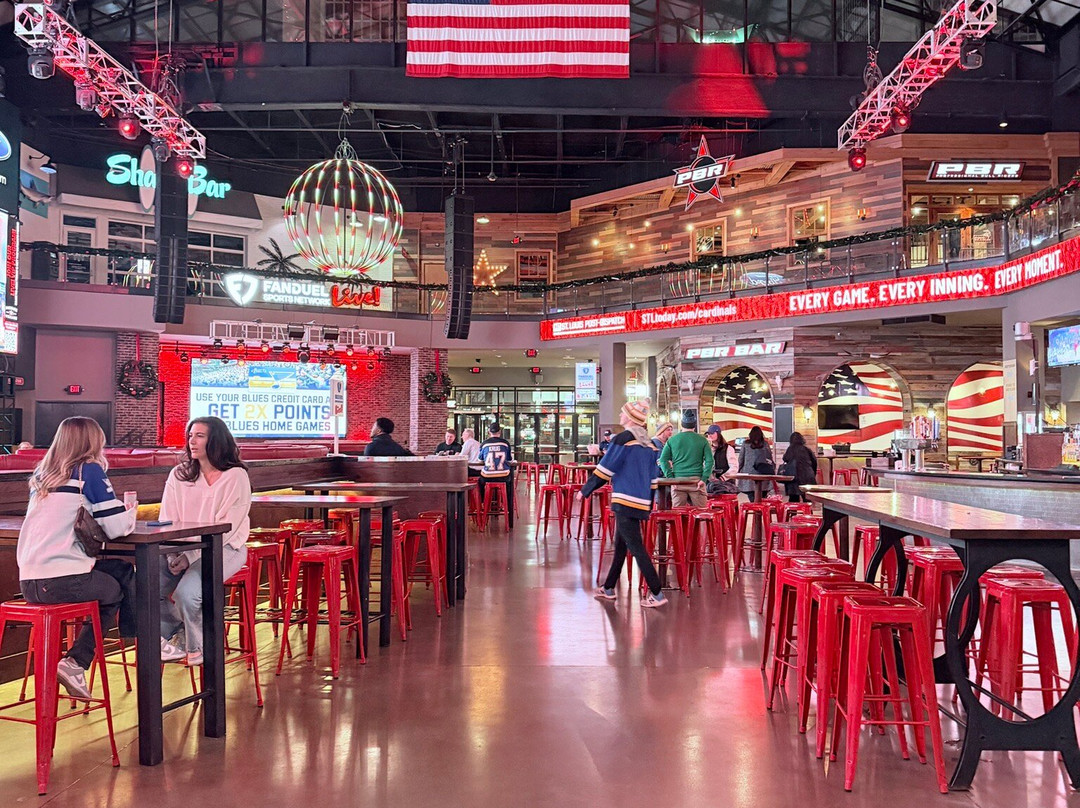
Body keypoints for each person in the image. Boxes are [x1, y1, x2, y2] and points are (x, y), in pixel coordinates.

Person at [17, 416, 143, 699]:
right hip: (61, 579)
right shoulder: (89, 471)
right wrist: (131, 512)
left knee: (122, 571)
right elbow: (116, 528)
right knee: (114, 591)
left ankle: (148, 638)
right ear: (92, 442)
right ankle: (77, 661)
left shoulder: (42, 476)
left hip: (29, 581)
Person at [159, 416, 252, 666]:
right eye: (190, 435)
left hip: (226, 547)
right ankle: (176, 633)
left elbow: (228, 529)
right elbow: (167, 519)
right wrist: (173, 554)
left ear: (216, 441)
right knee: (144, 586)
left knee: (186, 594)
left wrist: (189, 557)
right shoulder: (179, 474)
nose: (192, 441)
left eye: (199, 436)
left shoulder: (236, 476)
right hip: (181, 548)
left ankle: (194, 646)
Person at [581, 399, 667, 607]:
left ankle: (657, 592)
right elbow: (654, 477)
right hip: (641, 499)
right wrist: (649, 502)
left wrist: (586, 490)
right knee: (621, 545)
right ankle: (608, 587)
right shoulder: (649, 444)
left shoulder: (622, 439)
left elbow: (606, 468)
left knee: (636, 547)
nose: (620, 416)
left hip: (624, 498)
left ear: (630, 417)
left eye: (622, 413)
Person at [658, 410, 712, 507]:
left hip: (678, 482)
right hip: (697, 482)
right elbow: (710, 461)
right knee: (701, 513)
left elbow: (663, 460)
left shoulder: (672, 440)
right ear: (694, 425)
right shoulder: (703, 440)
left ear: (682, 424)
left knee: (678, 513)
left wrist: (671, 479)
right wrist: (704, 478)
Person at [478, 422, 514, 527]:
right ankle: (506, 504)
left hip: (487, 477)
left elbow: (480, 459)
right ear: (500, 432)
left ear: (489, 432)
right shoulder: (505, 443)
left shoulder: (484, 444)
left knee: (480, 482)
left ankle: (483, 502)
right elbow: (509, 459)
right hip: (503, 476)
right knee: (509, 483)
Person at [737, 426, 773, 502]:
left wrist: (738, 470)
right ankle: (758, 508)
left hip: (748, 475)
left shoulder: (745, 444)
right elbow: (769, 459)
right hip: (763, 474)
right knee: (762, 497)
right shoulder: (765, 444)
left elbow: (741, 459)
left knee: (752, 497)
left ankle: (754, 506)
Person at [782, 431, 818, 502]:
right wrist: (813, 474)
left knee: (793, 500)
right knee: (807, 500)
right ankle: (808, 509)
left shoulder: (790, 449)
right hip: (807, 476)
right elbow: (814, 462)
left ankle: (794, 509)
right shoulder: (806, 449)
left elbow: (785, 459)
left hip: (794, 477)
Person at [705, 424, 739, 495]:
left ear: (718, 434)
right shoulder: (708, 449)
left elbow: (734, 467)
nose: (709, 435)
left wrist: (722, 478)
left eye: (712, 433)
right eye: (708, 434)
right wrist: (710, 477)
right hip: (710, 486)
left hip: (726, 486)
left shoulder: (728, 449)